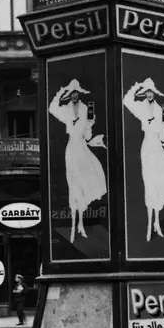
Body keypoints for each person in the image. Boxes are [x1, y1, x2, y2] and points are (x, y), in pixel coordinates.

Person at [123, 78, 164, 242]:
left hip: (157, 146)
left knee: (159, 182)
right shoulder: (141, 106)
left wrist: (163, 130)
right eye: (146, 92)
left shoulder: (161, 110)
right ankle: (150, 224)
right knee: (149, 184)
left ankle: (156, 222)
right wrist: (137, 86)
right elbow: (127, 101)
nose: (149, 94)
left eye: (151, 91)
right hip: (147, 147)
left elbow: (163, 136)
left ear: (154, 93)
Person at [49, 79, 107, 243]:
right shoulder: (66, 109)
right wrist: (62, 91)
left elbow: (88, 137)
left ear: (79, 94)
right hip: (71, 149)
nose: (74, 95)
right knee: (73, 186)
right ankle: (75, 225)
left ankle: (80, 224)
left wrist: (90, 123)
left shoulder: (85, 109)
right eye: (72, 93)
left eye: (76, 92)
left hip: (82, 147)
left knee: (83, 183)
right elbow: (52, 108)